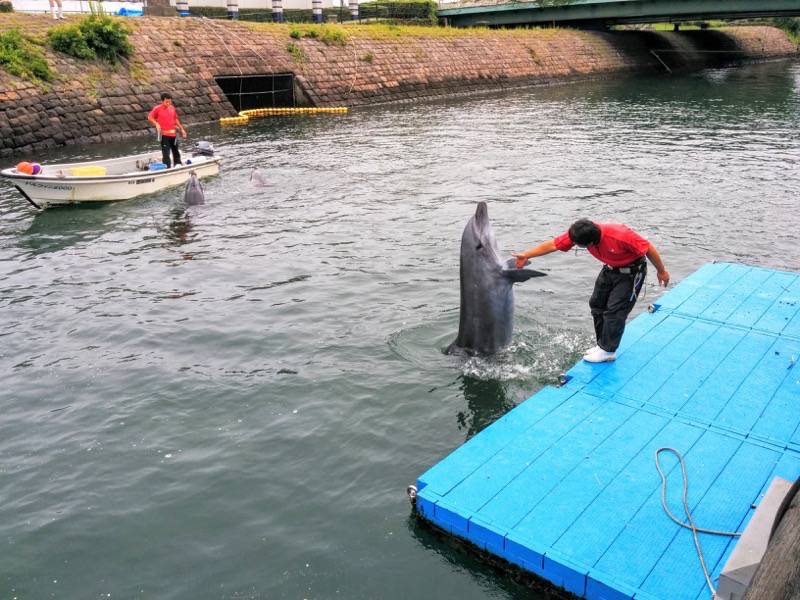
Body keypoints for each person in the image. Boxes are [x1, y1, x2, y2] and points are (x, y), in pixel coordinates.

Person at [512, 219, 669, 363]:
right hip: (610, 269)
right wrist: (526, 255)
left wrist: (661, 271)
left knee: (615, 310)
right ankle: (602, 345)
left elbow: (648, 248)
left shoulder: (620, 235)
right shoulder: (580, 232)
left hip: (631, 273)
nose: (573, 245)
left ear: (590, 243)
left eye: (577, 245)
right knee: (597, 304)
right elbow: (553, 245)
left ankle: (608, 351)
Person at [147, 93, 187, 168]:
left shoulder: (172, 108)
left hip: (173, 134)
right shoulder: (157, 108)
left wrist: (182, 129)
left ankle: (178, 165)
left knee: (176, 150)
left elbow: (175, 119)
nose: (168, 103)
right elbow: (150, 117)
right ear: (162, 101)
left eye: (170, 102)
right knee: (166, 153)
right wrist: (156, 124)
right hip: (164, 135)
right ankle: (167, 167)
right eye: (166, 102)